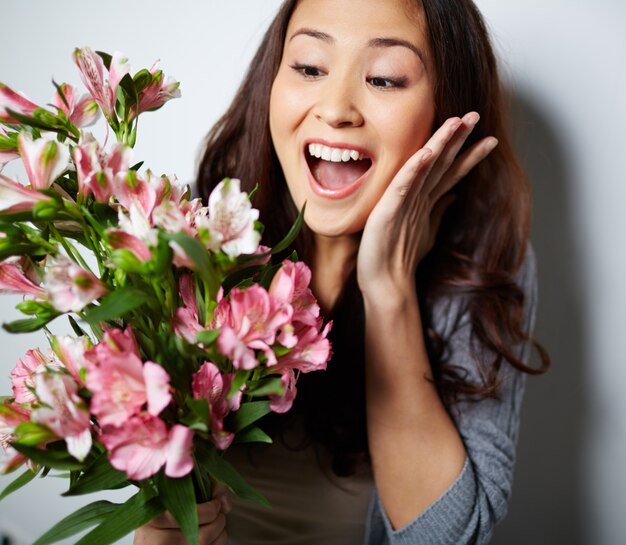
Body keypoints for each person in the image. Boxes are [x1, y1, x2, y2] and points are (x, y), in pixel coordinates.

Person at [134, 0, 549, 543]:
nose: (335, 108)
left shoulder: (482, 261)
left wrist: (388, 288)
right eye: (309, 67)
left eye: (385, 78)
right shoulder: (193, 230)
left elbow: (446, 537)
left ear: (450, 111)